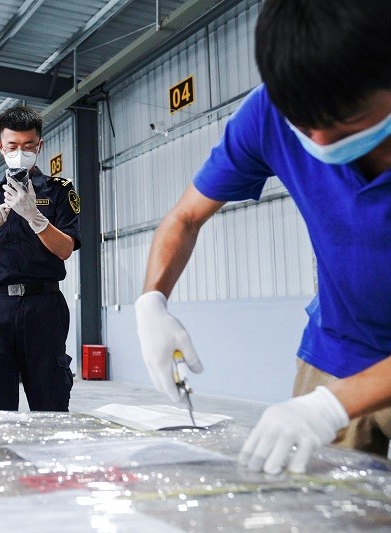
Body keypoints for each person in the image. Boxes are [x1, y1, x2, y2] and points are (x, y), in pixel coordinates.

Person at [135, 0, 391, 475]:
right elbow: (185, 217)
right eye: (303, 122)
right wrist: (152, 301)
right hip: (338, 349)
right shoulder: (271, 112)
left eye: (345, 119)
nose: (318, 140)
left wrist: (332, 406)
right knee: (316, 504)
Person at [0, 105, 81, 411]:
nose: (20, 153)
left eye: (28, 146)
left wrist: (36, 218)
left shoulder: (59, 191)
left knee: (50, 399)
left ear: (39, 145)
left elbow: (65, 249)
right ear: (1, 147)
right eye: (12, 146)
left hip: (44, 305)